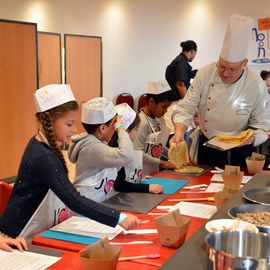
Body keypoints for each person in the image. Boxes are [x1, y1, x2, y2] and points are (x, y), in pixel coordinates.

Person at [0, 85, 140, 239]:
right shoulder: (43, 156)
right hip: (17, 233)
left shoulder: (44, 146)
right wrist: (119, 218)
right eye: (69, 124)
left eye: (75, 123)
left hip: (31, 228)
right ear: (50, 121)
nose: (74, 129)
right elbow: (73, 199)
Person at [171, 14, 270, 167]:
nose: (225, 73)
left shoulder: (256, 84)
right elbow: (186, 108)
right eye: (222, 66)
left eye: (232, 69)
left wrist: (249, 139)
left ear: (244, 63)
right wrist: (179, 132)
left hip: (241, 149)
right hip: (208, 144)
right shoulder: (205, 74)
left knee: (237, 187)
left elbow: (263, 125)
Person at [69, 97, 141, 202]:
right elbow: (127, 156)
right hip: (86, 205)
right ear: (102, 128)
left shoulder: (97, 143)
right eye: (114, 124)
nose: (116, 128)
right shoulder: (93, 147)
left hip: (95, 202)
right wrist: (121, 129)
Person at [109, 103, 163, 194]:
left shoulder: (125, 146)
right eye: (136, 129)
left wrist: (139, 179)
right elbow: (120, 185)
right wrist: (147, 187)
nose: (137, 133)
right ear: (126, 130)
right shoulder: (117, 151)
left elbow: (127, 175)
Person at [133, 80, 177, 176]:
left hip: (153, 172)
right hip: (140, 174)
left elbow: (158, 147)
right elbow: (137, 153)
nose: (165, 111)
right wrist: (162, 163)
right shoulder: (141, 123)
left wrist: (174, 156)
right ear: (151, 102)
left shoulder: (159, 119)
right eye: (164, 107)